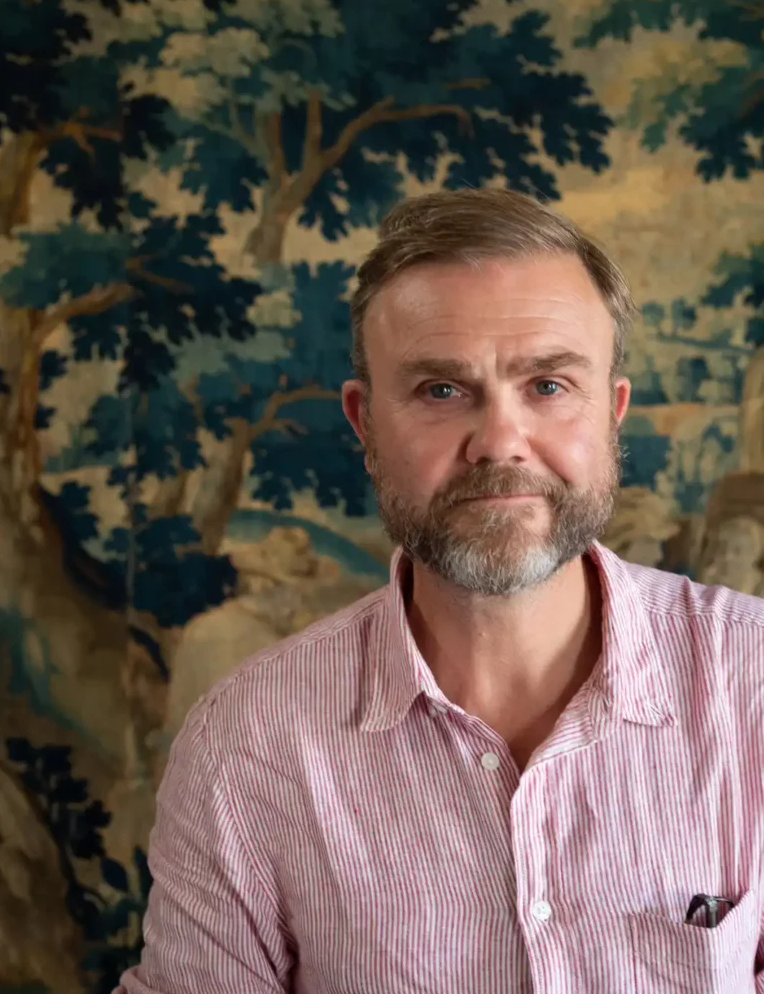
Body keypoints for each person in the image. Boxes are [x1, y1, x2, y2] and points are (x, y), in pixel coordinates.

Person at [116, 188, 764, 994]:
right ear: (364, 424)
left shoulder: (754, 681)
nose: (499, 440)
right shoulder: (246, 746)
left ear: (612, 413)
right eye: (441, 391)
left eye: (549, 386)